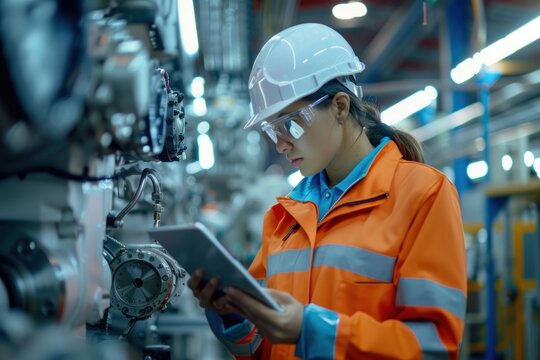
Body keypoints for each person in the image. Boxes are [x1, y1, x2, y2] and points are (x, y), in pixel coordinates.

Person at [188, 23, 466, 359]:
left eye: (289, 123)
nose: (280, 144)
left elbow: (432, 348)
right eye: (270, 129)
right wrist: (229, 312)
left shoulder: (423, 195)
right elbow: (261, 348)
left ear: (339, 106)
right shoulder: (283, 217)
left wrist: (310, 330)